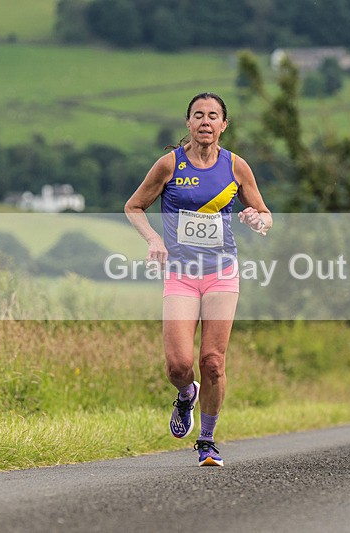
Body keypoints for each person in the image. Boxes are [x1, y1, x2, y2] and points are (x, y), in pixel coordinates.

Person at [125, 92, 272, 466]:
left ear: (224, 125)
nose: (205, 122)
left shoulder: (236, 166)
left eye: (213, 116)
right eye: (198, 116)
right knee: (178, 364)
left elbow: (264, 211)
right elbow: (134, 206)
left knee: (212, 361)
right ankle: (185, 395)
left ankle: (207, 441)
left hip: (222, 272)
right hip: (181, 274)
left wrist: (258, 219)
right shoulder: (168, 165)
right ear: (188, 123)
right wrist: (154, 239)